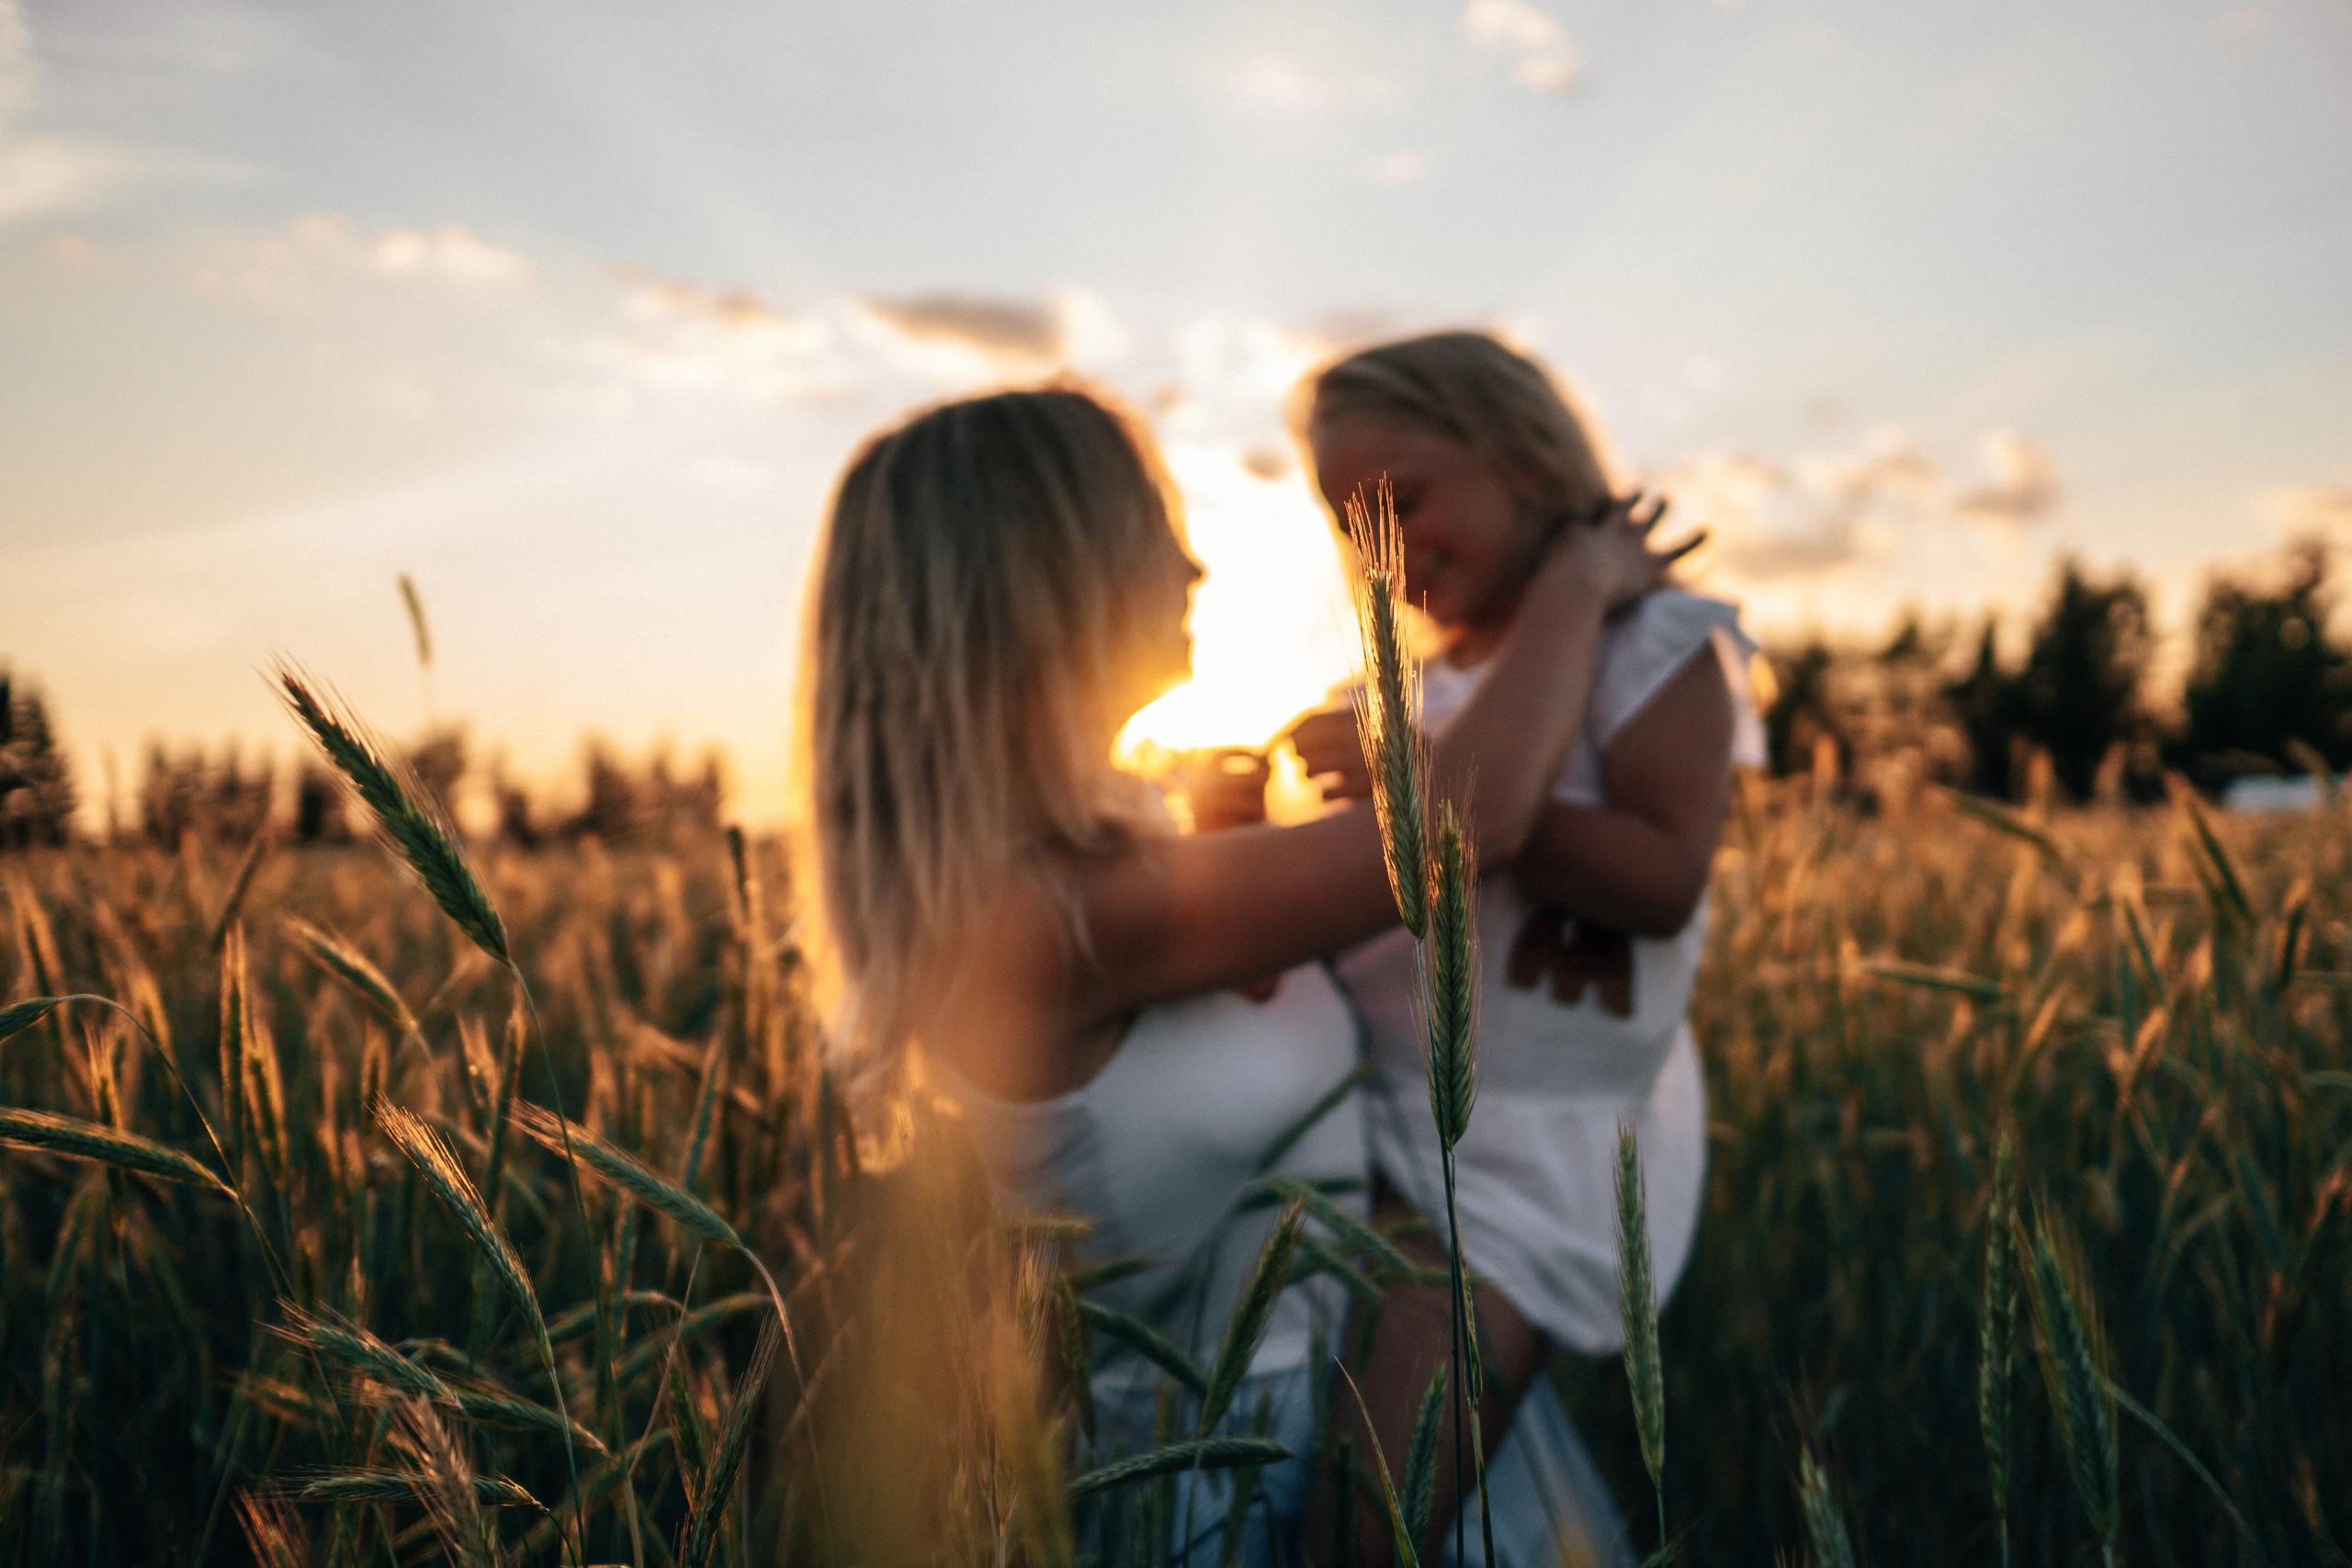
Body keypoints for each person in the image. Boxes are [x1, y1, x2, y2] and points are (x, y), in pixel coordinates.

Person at [794, 382, 1692, 1564]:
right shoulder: (1040, 921)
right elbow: (1466, 829)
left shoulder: (1101, 883)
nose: (1193, 569)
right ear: (1051, 580)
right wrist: (1578, 584)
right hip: (1219, 1500)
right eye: (1152, 530)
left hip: (1361, 1438)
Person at [1287, 332, 1761, 1566]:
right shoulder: (1424, 683)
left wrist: (1439, 785)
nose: (1377, 546)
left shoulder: (1649, 645)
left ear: (1523, 455)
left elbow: (1661, 877)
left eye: (1401, 499)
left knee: (1362, 1522)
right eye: (1348, 523)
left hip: (1515, 1158)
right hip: (1367, 1123)